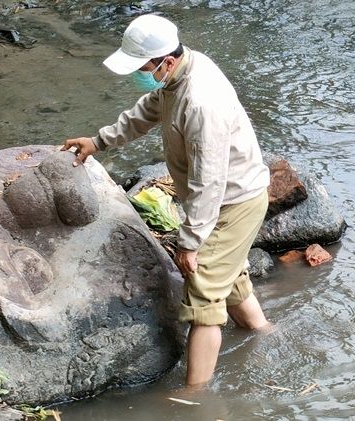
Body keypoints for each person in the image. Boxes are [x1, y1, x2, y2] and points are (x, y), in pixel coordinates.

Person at [61, 14, 271, 386]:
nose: (139, 75)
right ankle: (263, 334)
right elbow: (148, 110)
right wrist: (99, 141)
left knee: (203, 292)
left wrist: (189, 244)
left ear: (167, 61)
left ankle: (195, 395)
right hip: (220, 198)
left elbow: (210, 181)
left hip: (234, 201)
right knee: (228, 275)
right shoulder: (179, 74)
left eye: (142, 67)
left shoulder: (201, 103)